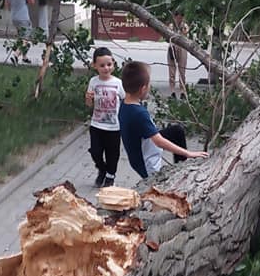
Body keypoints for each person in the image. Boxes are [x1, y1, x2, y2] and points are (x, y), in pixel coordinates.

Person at [119, 61, 208, 179]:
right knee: (158, 182)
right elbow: (158, 141)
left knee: (177, 131)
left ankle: (181, 167)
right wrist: (188, 153)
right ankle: (180, 178)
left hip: (142, 147)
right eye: (149, 83)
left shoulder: (125, 103)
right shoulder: (139, 113)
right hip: (146, 161)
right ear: (143, 89)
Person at [85, 47, 124, 188]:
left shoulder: (118, 83)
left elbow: (126, 101)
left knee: (112, 153)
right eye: (102, 65)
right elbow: (89, 104)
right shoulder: (93, 82)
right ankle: (102, 168)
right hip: (97, 125)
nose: (106, 68)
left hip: (114, 126)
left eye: (109, 64)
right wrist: (88, 99)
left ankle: (110, 176)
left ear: (113, 63)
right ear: (94, 65)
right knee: (95, 151)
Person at [167, 10, 189, 99]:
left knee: (182, 71)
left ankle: (183, 91)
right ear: (174, 17)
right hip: (172, 47)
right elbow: (169, 35)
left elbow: (185, 33)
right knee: (172, 71)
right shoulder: (171, 26)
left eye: (181, 16)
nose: (179, 18)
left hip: (182, 48)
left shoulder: (184, 26)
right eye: (177, 16)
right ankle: (172, 91)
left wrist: (181, 28)